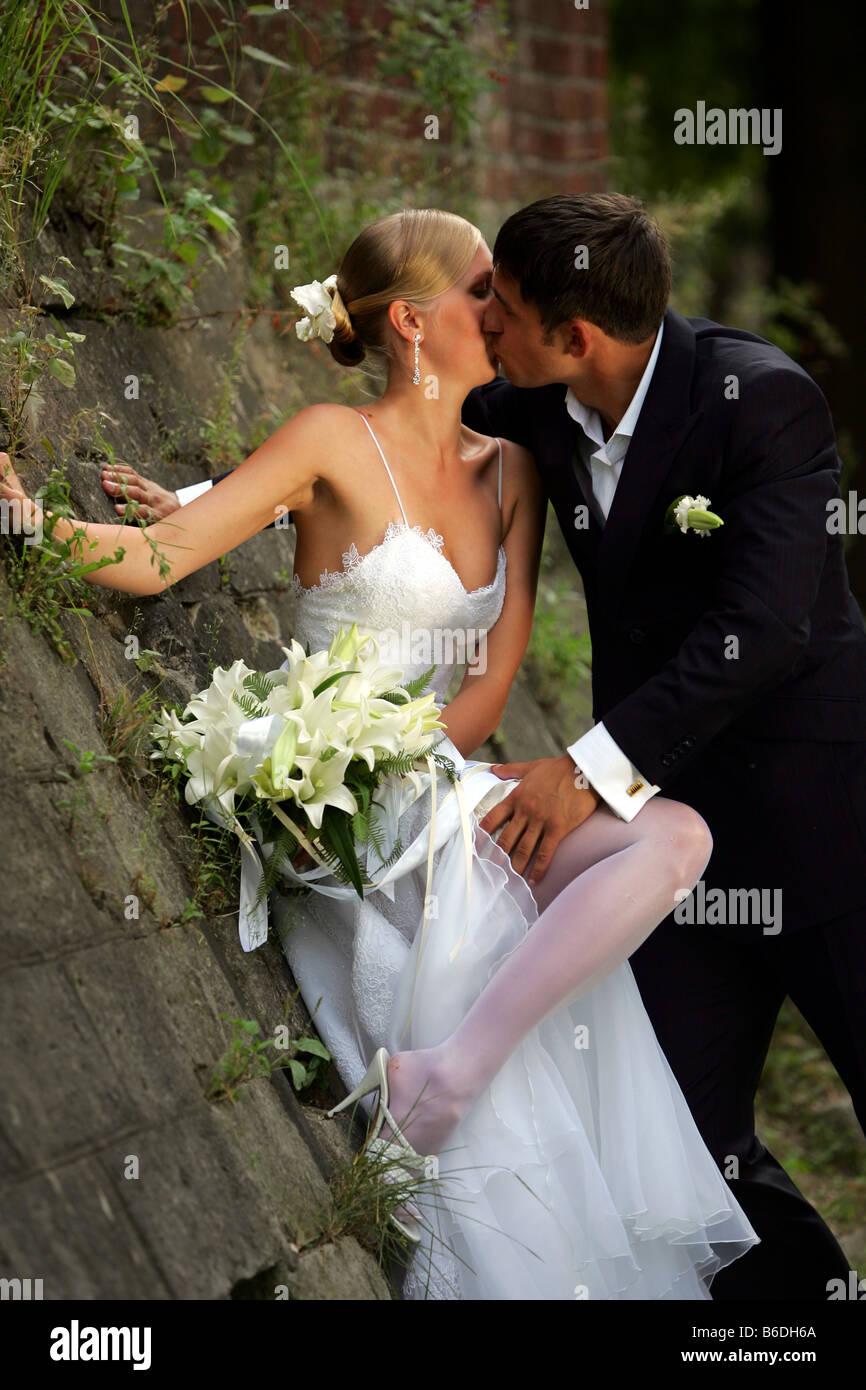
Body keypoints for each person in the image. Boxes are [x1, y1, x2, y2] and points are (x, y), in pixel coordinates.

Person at [1, 206, 761, 1300]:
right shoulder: (327, 438)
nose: (500, 310)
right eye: (482, 290)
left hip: (429, 777)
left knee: (674, 837)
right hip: (327, 791)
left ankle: (447, 1071)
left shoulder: (514, 468)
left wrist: (422, 770)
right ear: (411, 320)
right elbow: (162, 557)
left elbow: (491, 678)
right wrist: (32, 524)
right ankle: (448, 1083)